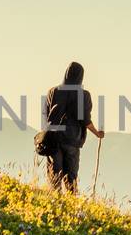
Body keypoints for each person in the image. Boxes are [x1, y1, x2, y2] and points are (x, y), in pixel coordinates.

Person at [41, 61, 104, 192]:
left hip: (54, 138)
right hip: (72, 140)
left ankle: (53, 203)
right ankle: (71, 206)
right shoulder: (84, 95)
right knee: (71, 177)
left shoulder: (53, 92)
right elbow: (85, 119)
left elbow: (46, 115)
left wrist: (46, 132)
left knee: (54, 175)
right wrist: (97, 133)